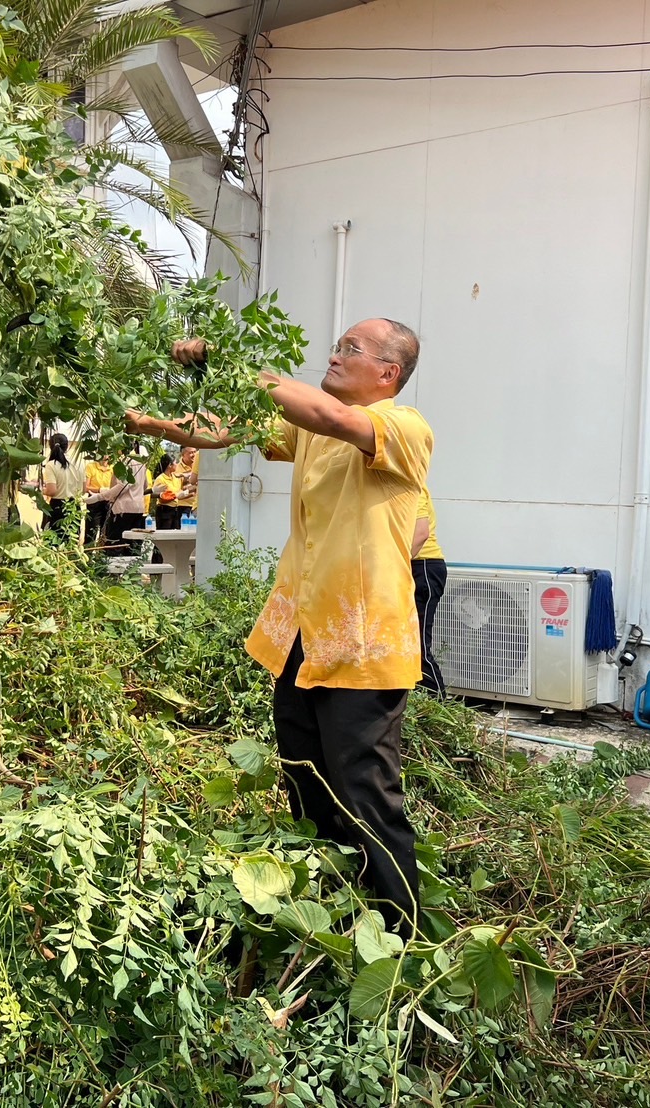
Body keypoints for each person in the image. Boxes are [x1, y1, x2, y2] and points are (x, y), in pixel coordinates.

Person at [128, 318, 431, 938]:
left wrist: (231, 356)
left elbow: (334, 419)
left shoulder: (401, 426)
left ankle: (401, 936)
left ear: (387, 374)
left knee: (365, 791)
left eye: (352, 348)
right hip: (305, 637)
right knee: (304, 773)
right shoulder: (311, 426)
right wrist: (163, 421)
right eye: (338, 344)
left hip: (364, 642)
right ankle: (330, 906)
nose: (335, 354)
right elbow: (231, 427)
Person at [411, 485, 447, 694]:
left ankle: (436, 705)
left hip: (422, 566)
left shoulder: (412, 487)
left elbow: (420, 534)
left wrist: (391, 568)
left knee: (417, 646)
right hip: (417, 566)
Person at [93, 449, 149, 555]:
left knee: (115, 543)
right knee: (132, 544)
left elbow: (123, 486)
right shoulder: (141, 463)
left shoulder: (123, 462)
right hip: (138, 508)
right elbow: (145, 485)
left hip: (123, 508)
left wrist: (101, 496)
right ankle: (132, 569)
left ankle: (114, 570)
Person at [40, 431, 86, 536]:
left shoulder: (51, 465)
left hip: (58, 507)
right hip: (75, 506)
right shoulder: (79, 463)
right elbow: (84, 490)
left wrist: (41, 490)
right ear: (67, 446)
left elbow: (52, 490)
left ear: (50, 446)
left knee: (55, 541)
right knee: (72, 540)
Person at [83, 455, 114, 548]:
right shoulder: (91, 467)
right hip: (94, 501)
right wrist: (100, 490)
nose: (106, 456)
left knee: (106, 532)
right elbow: (85, 487)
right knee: (91, 531)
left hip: (108, 501)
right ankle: (88, 555)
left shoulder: (113, 468)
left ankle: (102, 556)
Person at [150, 453, 185, 532]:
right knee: (164, 534)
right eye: (175, 463)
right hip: (164, 511)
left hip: (175, 510)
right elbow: (154, 494)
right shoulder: (161, 479)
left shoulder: (175, 477)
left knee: (175, 535)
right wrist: (167, 496)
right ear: (170, 465)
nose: (177, 465)